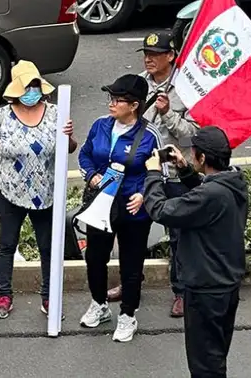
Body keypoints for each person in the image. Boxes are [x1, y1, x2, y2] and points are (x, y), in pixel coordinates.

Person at [143, 127, 247, 378]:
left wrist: (154, 174)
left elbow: (161, 210)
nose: (189, 155)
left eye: (193, 154)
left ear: (202, 158)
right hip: (226, 286)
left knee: (205, 366)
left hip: (205, 290)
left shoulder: (210, 195)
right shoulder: (234, 182)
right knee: (216, 355)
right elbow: (204, 193)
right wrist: (186, 171)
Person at [108, 31, 198, 316]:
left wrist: (170, 113)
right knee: (130, 230)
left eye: (156, 54)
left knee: (177, 234)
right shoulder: (139, 84)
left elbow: (191, 136)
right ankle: (130, 282)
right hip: (142, 171)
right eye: (146, 54)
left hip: (173, 173)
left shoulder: (188, 86)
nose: (149, 59)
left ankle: (180, 291)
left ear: (171, 56)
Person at [0, 61, 76, 319]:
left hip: (46, 192)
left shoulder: (57, 112)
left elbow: (69, 148)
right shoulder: (2, 115)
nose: (31, 91)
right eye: (27, 86)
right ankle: (4, 295)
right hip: (9, 190)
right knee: (7, 244)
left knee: (48, 246)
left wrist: (69, 136)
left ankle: (49, 297)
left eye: (35, 85)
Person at [78, 74, 163, 343]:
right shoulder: (100, 126)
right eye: (110, 98)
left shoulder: (149, 135)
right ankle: (99, 304)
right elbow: (85, 154)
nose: (111, 103)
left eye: (118, 99)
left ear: (134, 105)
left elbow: (162, 172)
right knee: (95, 257)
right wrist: (91, 175)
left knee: (131, 263)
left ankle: (128, 316)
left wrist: (143, 194)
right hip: (100, 204)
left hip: (133, 208)